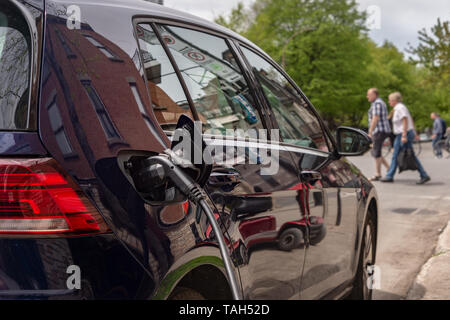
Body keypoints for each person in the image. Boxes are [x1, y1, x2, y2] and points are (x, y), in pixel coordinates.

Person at [381, 92, 430, 184]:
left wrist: (404, 135)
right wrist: (414, 132)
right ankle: (390, 175)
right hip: (403, 134)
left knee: (409, 154)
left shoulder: (400, 108)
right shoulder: (399, 108)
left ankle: (424, 175)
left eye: (390, 100)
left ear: (394, 100)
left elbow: (405, 120)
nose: (389, 102)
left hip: (403, 134)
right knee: (397, 154)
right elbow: (410, 118)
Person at [366, 88, 391, 181]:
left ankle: (378, 174)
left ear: (375, 95)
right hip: (381, 130)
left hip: (379, 130)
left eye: (369, 94)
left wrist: (370, 132)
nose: (367, 96)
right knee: (375, 151)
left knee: (376, 151)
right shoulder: (378, 103)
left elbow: (375, 118)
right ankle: (389, 168)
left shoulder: (377, 103)